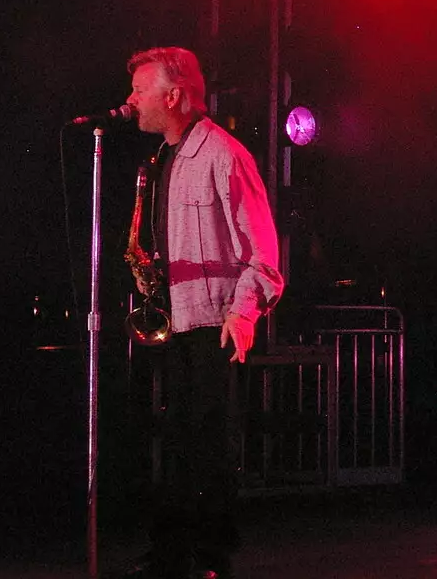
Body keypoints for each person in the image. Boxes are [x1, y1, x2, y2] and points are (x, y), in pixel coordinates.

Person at [111, 47, 285, 579]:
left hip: (216, 324)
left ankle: (210, 557)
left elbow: (264, 254)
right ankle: (171, 554)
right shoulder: (161, 158)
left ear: (174, 95)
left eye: (140, 90)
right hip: (177, 320)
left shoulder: (223, 154)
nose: (130, 101)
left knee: (209, 446)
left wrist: (244, 314)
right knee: (178, 443)